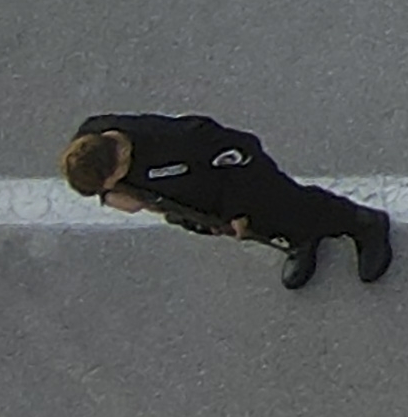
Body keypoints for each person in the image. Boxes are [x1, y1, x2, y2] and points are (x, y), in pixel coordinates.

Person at [61, 111, 388, 288]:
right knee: (272, 228)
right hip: (193, 203)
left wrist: (237, 211)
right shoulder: (92, 140)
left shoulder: (184, 140)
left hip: (244, 185)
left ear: (119, 162)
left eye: (109, 183)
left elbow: (243, 152)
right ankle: (301, 241)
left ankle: (363, 224)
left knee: (297, 207)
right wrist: (109, 196)